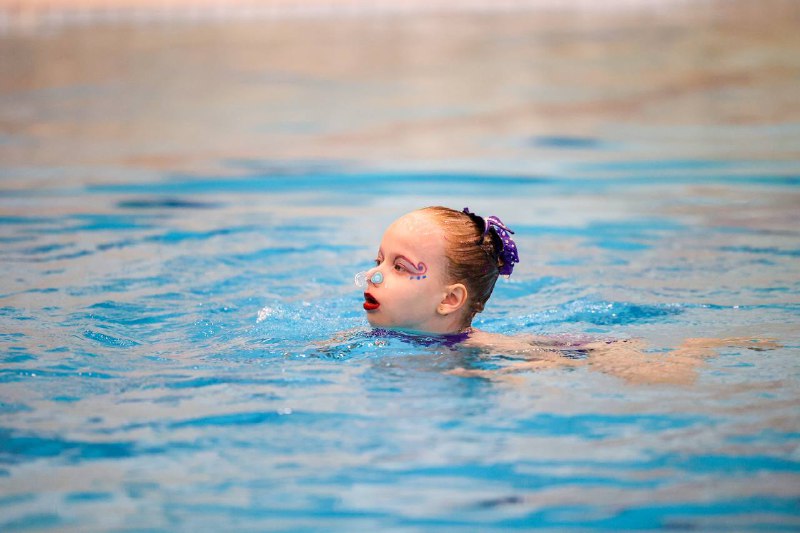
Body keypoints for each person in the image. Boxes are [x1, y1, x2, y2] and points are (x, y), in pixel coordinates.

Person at [347, 206, 778, 384]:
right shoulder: (361, 341)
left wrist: (495, 378)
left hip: (584, 350)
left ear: (449, 300)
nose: (374, 276)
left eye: (398, 268)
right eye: (379, 260)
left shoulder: (476, 354)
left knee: (666, 379)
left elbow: (544, 372)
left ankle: (702, 344)